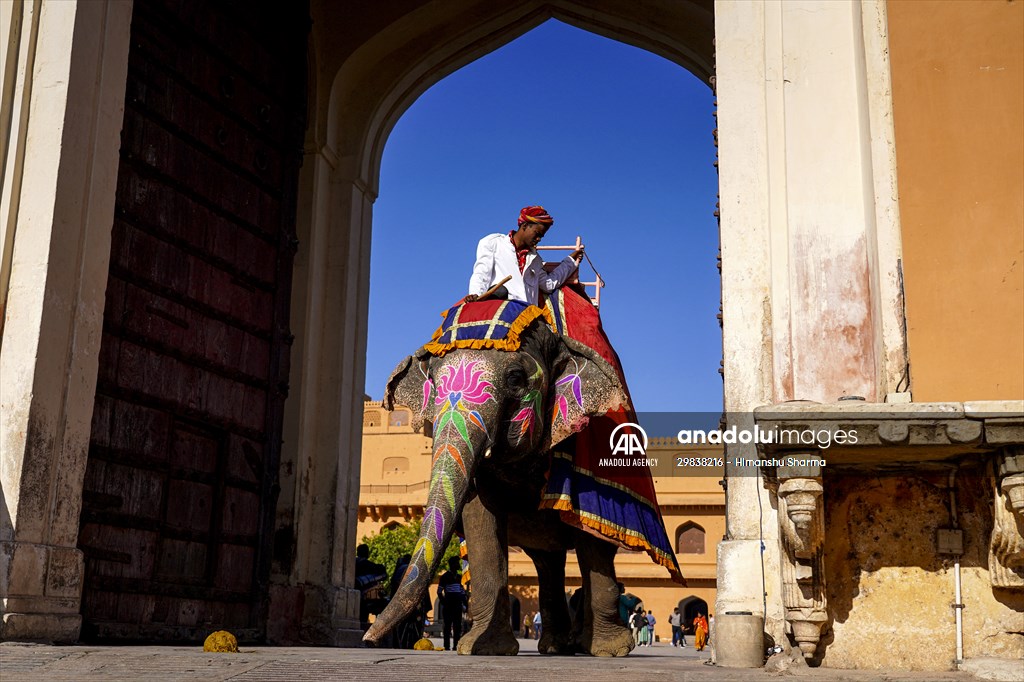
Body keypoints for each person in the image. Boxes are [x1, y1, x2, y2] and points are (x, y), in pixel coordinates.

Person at [465, 205, 584, 306]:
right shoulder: (493, 243)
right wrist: (475, 295)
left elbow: (548, 284)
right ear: (525, 226)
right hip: (501, 310)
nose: (538, 239)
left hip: (528, 316)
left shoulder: (536, 259)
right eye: (537, 234)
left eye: (541, 237)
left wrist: (571, 261)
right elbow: (481, 274)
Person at [354, 544, 388, 630]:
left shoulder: (354, 563)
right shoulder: (368, 565)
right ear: (367, 553)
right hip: (364, 596)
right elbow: (381, 571)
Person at [437, 557, 467, 651]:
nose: (459, 565)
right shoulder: (445, 577)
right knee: (447, 626)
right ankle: (447, 646)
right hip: (448, 605)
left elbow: (461, 591)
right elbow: (439, 591)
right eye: (457, 563)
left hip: (457, 605)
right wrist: (444, 602)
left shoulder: (459, 577)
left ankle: (456, 646)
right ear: (453, 565)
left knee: (457, 626)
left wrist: (465, 603)